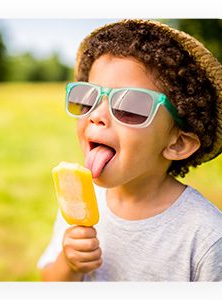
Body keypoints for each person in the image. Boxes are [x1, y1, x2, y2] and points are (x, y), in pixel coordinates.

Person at [37, 19, 222, 281]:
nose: (96, 116)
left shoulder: (206, 237)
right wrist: (68, 264)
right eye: (87, 98)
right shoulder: (80, 201)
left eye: (130, 106)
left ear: (177, 143)